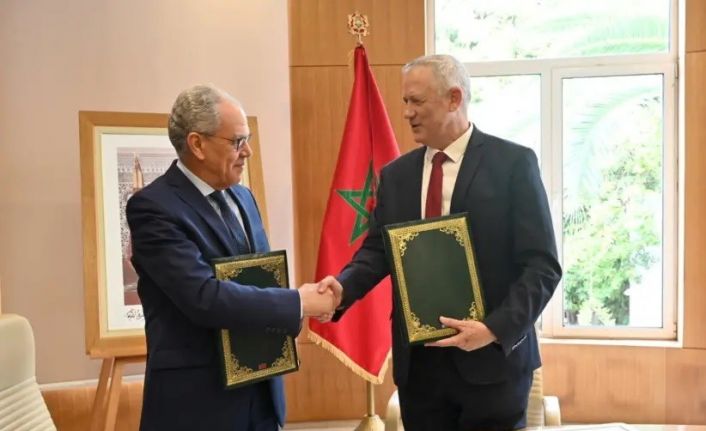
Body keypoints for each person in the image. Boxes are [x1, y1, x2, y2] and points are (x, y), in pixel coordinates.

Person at [323, 54, 562, 430]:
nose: (407, 112)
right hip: (421, 372)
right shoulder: (397, 175)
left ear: (454, 98)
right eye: (405, 101)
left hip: (492, 367)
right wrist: (342, 287)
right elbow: (378, 250)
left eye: (417, 101)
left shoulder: (513, 164)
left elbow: (542, 266)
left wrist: (494, 329)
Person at [126, 84, 337, 431]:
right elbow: (203, 297)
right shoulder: (153, 208)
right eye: (238, 141)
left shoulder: (243, 197)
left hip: (261, 395)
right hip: (198, 407)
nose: (248, 151)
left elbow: (262, 279)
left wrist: (303, 306)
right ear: (197, 144)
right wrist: (298, 302)